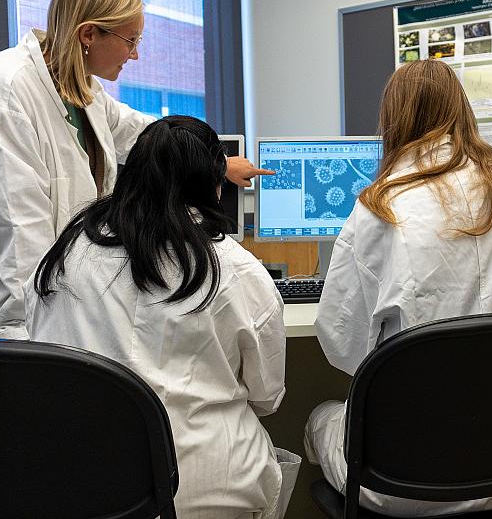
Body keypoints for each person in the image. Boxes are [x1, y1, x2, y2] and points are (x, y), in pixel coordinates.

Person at [305, 59, 492, 516]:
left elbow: (342, 345)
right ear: (461, 110)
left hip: (406, 482)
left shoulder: (382, 206)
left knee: (319, 417)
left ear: (393, 120)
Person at [0, 0, 264, 339]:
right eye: (131, 40)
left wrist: (216, 164)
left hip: (61, 299)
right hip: (7, 314)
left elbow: (142, 133)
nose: (135, 54)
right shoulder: (6, 91)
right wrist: (52, 333)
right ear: (89, 34)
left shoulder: (81, 87)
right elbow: (19, 234)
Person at [26, 115, 299, 519]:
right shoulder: (234, 269)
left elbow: (41, 345)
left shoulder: (66, 255)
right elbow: (266, 395)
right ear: (213, 187)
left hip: (86, 485)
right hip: (207, 488)